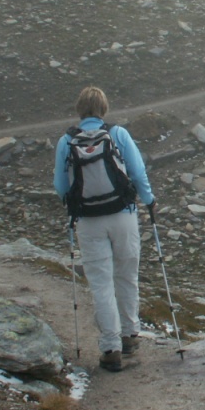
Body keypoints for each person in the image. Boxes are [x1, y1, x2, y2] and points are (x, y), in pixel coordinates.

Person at [54, 86, 155, 372]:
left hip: (89, 220)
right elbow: (137, 172)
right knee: (126, 274)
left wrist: (75, 205)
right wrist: (149, 200)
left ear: (79, 109)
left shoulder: (66, 141)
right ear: (104, 108)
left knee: (101, 283)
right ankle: (130, 335)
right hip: (123, 215)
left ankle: (110, 348)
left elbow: (60, 185)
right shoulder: (118, 134)